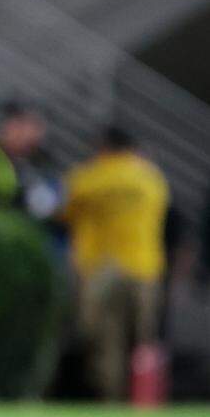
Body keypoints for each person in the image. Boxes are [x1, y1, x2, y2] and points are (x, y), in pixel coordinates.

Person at [62, 127, 169, 401]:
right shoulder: (151, 179)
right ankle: (146, 402)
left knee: (105, 343)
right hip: (144, 267)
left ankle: (110, 401)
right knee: (144, 343)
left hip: (102, 269)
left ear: (102, 147)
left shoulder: (87, 178)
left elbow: (66, 214)